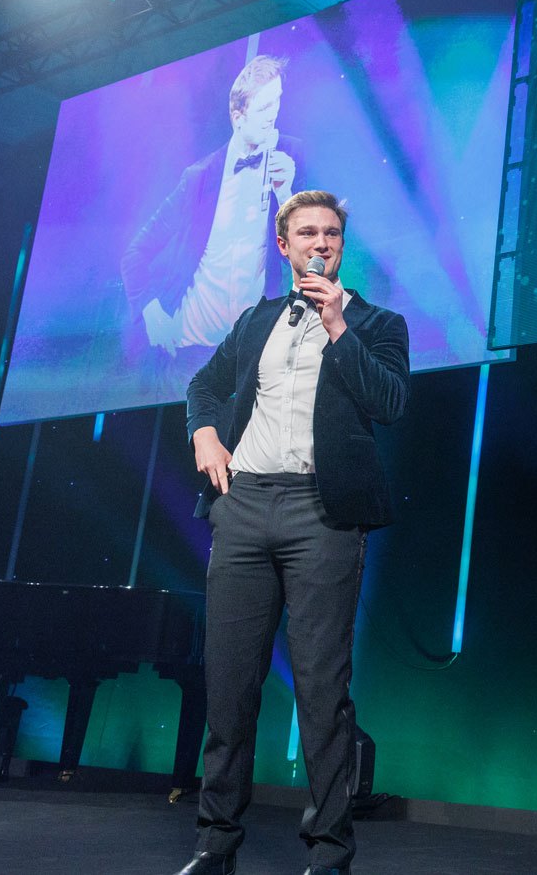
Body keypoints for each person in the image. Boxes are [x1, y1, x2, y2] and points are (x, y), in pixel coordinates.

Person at [172, 190, 409, 875]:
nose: (320, 242)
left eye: (331, 232)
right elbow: (203, 384)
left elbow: (390, 402)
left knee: (321, 692)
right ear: (284, 245)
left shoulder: (377, 322)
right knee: (229, 686)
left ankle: (329, 854)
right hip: (243, 506)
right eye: (307, 232)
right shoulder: (255, 320)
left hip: (322, 514)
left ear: (341, 245)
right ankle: (215, 844)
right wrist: (205, 434)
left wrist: (338, 326)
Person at [122, 54, 307, 388]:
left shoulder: (293, 156)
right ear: (238, 117)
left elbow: (313, 259)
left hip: (257, 352)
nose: (273, 115)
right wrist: (150, 311)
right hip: (191, 353)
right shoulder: (200, 176)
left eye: (277, 102)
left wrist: (286, 194)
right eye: (264, 108)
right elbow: (135, 253)